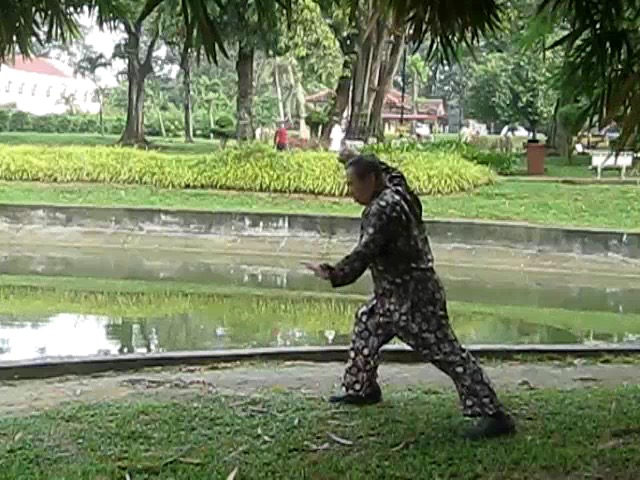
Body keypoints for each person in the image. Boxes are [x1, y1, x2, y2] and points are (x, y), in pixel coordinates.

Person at [304, 154, 516, 440]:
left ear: (370, 180)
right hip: (392, 294)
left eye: (353, 184)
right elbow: (394, 172)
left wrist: (332, 273)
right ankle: (362, 389)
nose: (349, 191)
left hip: (413, 296)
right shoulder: (397, 187)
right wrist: (357, 157)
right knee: (367, 324)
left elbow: (365, 252)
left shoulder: (383, 209)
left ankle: (494, 414)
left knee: (446, 352)